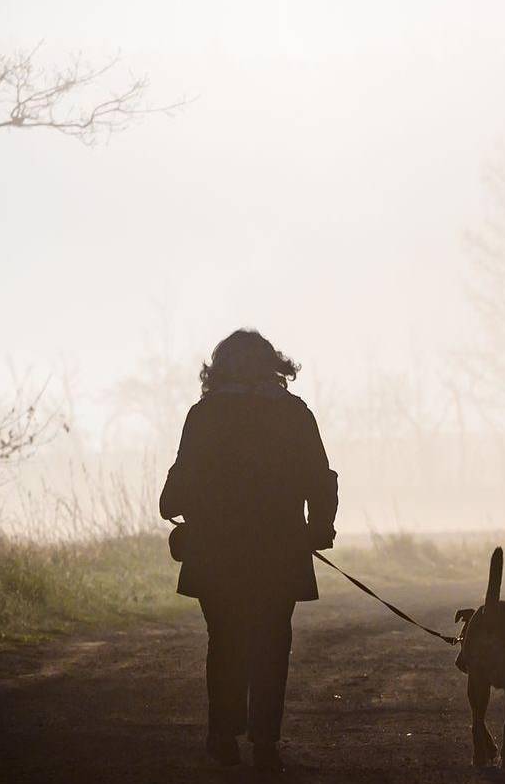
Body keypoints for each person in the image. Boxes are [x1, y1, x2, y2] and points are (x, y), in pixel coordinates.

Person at [160, 330, 338, 772]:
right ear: (273, 366)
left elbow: (176, 492)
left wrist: (174, 503)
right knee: (273, 644)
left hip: (215, 555)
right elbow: (321, 478)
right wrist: (319, 528)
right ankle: (265, 741)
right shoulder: (295, 414)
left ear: (217, 370)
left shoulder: (203, 415)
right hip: (279, 553)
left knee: (224, 643)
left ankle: (223, 735)